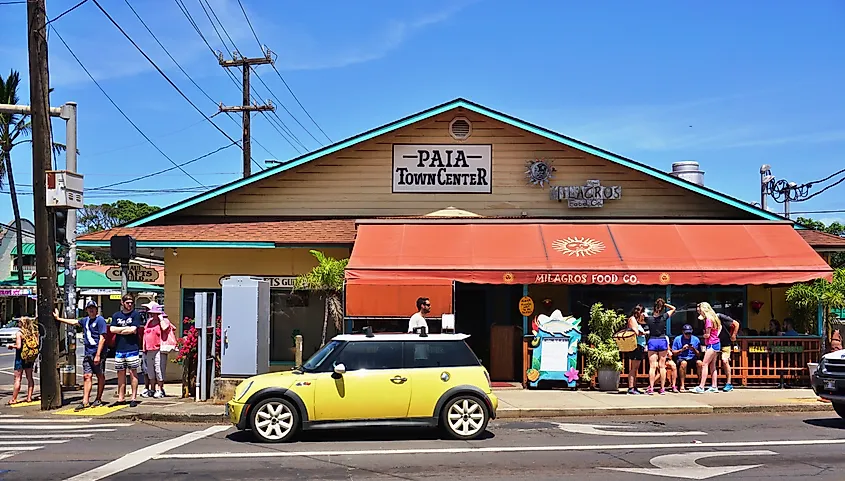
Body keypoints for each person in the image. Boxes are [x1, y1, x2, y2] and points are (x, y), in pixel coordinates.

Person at [54, 301, 107, 410]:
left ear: (96, 309)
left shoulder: (100, 320)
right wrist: (59, 319)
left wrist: (98, 354)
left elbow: (102, 338)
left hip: (97, 352)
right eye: (89, 308)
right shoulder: (85, 321)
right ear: (86, 310)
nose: (91, 310)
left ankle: (98, 398)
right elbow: (74, 322)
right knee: (87, 376)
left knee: (100, 375)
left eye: (93, 308)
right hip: (87, 353)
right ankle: (85, 401)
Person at [110, 294, 143, 407]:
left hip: (132, 348)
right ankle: (121, 397)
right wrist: (125, 329)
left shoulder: (135, 315)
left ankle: (134, 397)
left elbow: (133, 329)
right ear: (122, 303)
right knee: (120, 374)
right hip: (119, 349)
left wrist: (120, 330)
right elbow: (112, 329)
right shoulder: (116, 315)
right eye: (127, 302)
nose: (130, 305)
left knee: (133, 373)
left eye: (131, 303)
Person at [141, 302, 173, 398]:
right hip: (149, 349)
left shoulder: (164, 321)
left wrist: (161, 318)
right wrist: (144, 347)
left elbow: (164, 328)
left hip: (159, 348)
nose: (153, 315)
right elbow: (145, 334)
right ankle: (152, 388)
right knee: (150, 370)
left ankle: (160, 389)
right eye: (153, 313)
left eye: (156, 313)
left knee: (159, 369)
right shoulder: (149, 322)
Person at [644, 298, 676, 395]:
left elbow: (640, 319)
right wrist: (664, 304)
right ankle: (662, 388)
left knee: (652, 366)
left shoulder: (648, 319)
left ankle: (651, 388)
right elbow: (674, 308)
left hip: (652, 340)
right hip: (662, 340)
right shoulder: (664, 317)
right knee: (662, 366)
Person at [692, 302, 722, 394]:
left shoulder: (708, 320)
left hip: (711, 344)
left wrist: (704, 335)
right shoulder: (715, 318)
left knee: (704, 364)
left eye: (700, 310)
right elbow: (720, 328)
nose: (699, 312)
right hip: (716, 343)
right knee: (712, 366)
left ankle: (701, 386)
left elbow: (707, 334)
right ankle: (714, 386)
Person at [6, 316, 36, 405]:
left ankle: (14, 399)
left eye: (19, 322)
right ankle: (29, 397)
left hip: (20, 358)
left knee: (17, 379)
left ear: (22, 324)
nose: (18, 323)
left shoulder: (19, 333)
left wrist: (12, 346)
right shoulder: (32, 333)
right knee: (30, 378)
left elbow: (19, 346)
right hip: (29, 357)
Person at [671, 324, 703, 391]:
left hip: (692, 358)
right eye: (686, 333)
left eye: (689, 333)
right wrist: (682, 350)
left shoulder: (696, 339)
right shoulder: (677, 339)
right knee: (684, 363)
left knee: (700, 363)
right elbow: (673, 353)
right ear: (683, 332)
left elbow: (699, 354)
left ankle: (700, 384)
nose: (688, 335)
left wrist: (693, 349)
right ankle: (682, 385)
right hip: (681, 358)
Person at [716, 311, 740, 392]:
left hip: (725, 342)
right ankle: (713, 384)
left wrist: (733, 335)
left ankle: (729, 383)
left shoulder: (720, 316)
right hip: (715, 343)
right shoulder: (705, 320)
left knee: (725, 361)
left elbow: (736, 324)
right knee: (711, 362)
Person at [625, 304, 647, 395]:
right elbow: (636, 332)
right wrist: (645, 333)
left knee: (636, 367)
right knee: (633, 368)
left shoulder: (638, 321)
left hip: (640, 345)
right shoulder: (632, 319)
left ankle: (634, 386)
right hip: (636, 346)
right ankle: (631, 387)